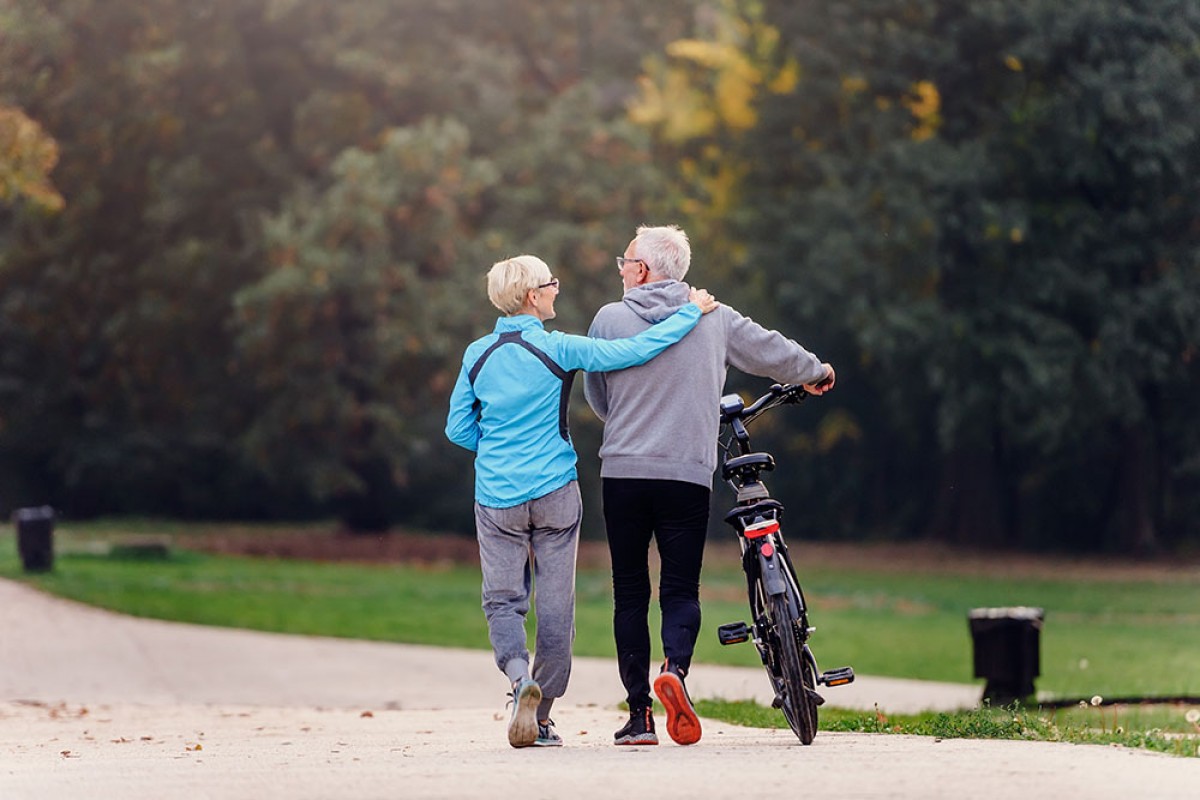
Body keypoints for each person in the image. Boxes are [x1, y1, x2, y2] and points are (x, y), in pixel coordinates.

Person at [445, 254, 718, 749]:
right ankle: (543, 714)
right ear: (532, 297)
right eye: (550, 283)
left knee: (502, 601)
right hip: (554, 491)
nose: (556, 288)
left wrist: (500, 447)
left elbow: (458, 428)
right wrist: (690, 313)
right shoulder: (560, 348)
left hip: (496, 496)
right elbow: (634, 351)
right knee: (557, 611)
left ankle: (515, 678)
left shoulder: (476, 355)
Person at [584, 225, 835, 747]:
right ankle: (675, 669)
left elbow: (598, 393)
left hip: (625, 472)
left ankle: (639, 718)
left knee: (630, 591)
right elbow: (770, 350)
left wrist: (629, 420)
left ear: (644, 270)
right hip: (686, 474)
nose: (622, 269)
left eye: (625, 262)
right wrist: (815, 370)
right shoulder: (714, 318)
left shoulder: (609, 318)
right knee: (680, 588)